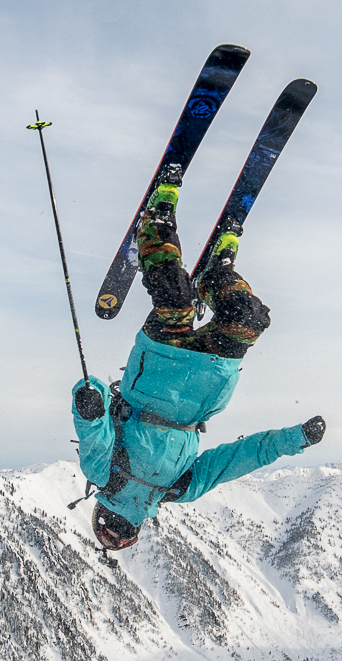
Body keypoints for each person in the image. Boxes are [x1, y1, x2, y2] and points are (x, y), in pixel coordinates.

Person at [71, 183, 323, 551]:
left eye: (113, 533)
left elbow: (93, 428)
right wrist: (295, 439)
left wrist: (88, 402)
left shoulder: (104, 476)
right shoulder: (179, 489)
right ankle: (216, 272)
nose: (118, 530)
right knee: (246, 317)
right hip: (208, 375)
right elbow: (240, 458)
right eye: (118, 536)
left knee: (180, 301)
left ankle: (157, 220)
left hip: (159, 369)